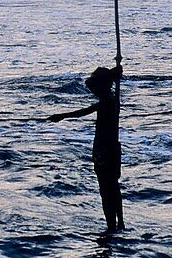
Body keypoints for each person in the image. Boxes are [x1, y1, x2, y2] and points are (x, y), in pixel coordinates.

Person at [48, 64, 125, 233]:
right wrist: (116, 71)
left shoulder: (106, 103)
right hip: (112, 148)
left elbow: (82, 112)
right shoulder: (113, 101)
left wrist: (61, 116)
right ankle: (119, 224)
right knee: (113, 186)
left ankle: (112, 226)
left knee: (106, 189)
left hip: (103, 150)